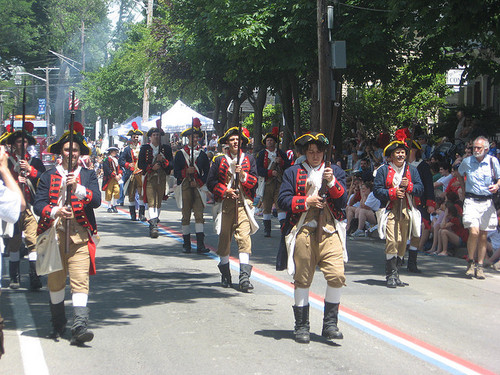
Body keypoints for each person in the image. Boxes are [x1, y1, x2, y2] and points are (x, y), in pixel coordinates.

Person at [33, 122, 101, 345]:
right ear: (59, 153)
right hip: (55, 236)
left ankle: (80, 326)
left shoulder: (88, 175)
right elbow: (38, 205)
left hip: (80, 238)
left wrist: (78, 189)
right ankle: (57, 323)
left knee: (80, 282)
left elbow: (97, 201)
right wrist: (55, 210)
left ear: (80, 153)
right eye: (67, 150)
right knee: (55, 282)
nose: (71, 153)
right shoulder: (48, 175)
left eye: (74, 150)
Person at [277, 132, 348, 344]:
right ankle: (301, 326)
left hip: (329, 230)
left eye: (318, 152)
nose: (315, 155)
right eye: (310, 151)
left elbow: (343, 200)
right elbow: (283, 200)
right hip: (304, 230)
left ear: (324, 152)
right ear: (305, 153)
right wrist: (306, 201)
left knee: (336, 275)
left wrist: (332, 182)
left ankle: (330, 324)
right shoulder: (293, 172)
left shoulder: (334, 171)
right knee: (303, 278)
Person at [206, 126, 259, 292]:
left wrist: (243, 175)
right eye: (232, 140)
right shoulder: (219, 160)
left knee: (244, 238)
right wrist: (225, 190)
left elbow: (255, 181)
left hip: (243, 204)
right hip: (225, 205)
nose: (235, 142)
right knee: (224, 240)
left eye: (237, 139)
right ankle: (225, 273)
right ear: (227, 143)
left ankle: (244, 277)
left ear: (242, 142)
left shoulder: (249, 159)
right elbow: (211, 182)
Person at [373, 129, 423, 288]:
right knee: (392, 241)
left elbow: (420, 189)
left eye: (403, 152)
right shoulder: (383, 170)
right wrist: (392, 192)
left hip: (406, 210)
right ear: (391, 156)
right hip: (390, 211)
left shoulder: (412, 171)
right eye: (397, 153)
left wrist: (410, 186)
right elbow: (377, 191)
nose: (401, 155)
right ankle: (390, 274)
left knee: (402, 242)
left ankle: (397, 272)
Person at [3, 122, 46, 290]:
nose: (23, 144)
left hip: (30, 208)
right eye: (19, 141)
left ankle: (34, 276)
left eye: (25, 141)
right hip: (13, 207)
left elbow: (44, 181)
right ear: (14, 144)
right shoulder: (6, 162)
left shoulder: (35, 161)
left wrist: (31, 171)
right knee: (14, 242)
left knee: (33, 241)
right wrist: (15, 181)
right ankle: (15, 277)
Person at [458, 136, 500, 279]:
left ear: (486, 149)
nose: (476, 150)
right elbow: (459, 174)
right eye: (474, 147)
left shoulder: (492, 161)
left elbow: (499, 178)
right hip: (471, 200)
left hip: (487, 202)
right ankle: (471, 262)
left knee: (483, 235)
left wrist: (497, 186)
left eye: (479, 148)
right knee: (474, 231)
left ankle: (480, 265)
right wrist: (463, 189)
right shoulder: (467, 161)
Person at [0, 144, 26, 358]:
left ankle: (30, 274)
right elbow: (19, 204)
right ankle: (15, 274)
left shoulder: (31, 162)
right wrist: (5, 169)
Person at [173, 119, 211, 253]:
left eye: (196, 137)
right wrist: (185, 172)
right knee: (186, 215)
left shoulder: (202, 154)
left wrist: (199, 182)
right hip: (185, 186)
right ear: (188, 138)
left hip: (198, 187)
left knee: (199, 215)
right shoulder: (180, 154)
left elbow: (207, 172)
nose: (195, 139)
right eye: (192, 137)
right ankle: (186, 244)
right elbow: (175, 171)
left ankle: (200, 245)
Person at [138, 122, 173, 238]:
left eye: (158, 135)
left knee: (158, 201)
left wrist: (162, 161)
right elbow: (140, 164)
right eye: (154, 135)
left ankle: (154, 221)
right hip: (150, 177)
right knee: (151, 200)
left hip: (162, 177)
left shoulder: (166, 149)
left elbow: (171, 164)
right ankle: (153, 225)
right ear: (150, 136)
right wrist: (151, 167)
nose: (156, 137)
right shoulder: (145, 148)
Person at [256, 127, 291, 237]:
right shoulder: (262, 154)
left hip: (279, 183)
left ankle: (283, 227)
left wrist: (281, 163)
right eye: (268, 140)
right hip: (267, 183)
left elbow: (288, 167)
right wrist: (270, 173)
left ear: (275, 142)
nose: (269, 142)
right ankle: (267, 229)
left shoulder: (281, 153)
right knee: (266, 206)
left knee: (280, 205)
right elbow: (259, 169)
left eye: (271, 140)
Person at [407, 139, 435, 273]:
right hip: (405, 201)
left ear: (414, 150)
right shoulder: (403, 166)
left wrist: (430, 203)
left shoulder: (422, 166)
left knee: (419, 227)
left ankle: (415, 254)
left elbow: (428, 185)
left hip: (419, 202)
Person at [119, 122, 146, 221]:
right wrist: (127, 164)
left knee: (142, 193)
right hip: (131, 174)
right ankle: (133, 214)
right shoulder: (126, 150)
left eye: (137, 137)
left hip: (140, 173)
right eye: (134, 137)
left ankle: (142, 214)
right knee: (131, 194)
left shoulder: (142, 149)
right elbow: (121, 160)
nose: (136, 139)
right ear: (131, 138)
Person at [102, 146, 123, 213]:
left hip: (116, 178)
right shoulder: (106, 159)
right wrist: (114, 175)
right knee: (109, 192)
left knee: (117, 191)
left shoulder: (117, 159)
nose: (115, 153)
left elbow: (119, 168)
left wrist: (120, 174)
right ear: (111, 152)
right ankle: (109, 206)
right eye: (114, 151)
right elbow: (107, 169)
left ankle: (114, 205)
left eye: (116, 151)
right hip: (109, 178)